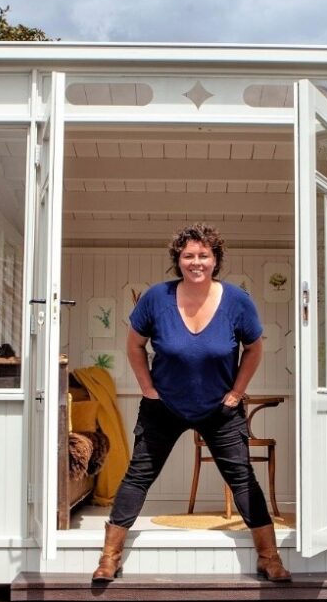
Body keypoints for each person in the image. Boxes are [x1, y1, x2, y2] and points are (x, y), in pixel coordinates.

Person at [92, 223, 291, 583]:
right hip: (163, 406)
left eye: (203, 255)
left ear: (215, 260)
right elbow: (134, 345)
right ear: (177, 260)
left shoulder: (237, 301)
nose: (196, 262)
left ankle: (269, 556)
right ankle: (110, 556)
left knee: (243, 478)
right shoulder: (157, 298)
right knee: (138, 476)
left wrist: (237, 392)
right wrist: (147, 388)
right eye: (188, 256)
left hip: (221, 410)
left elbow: (254, 347)